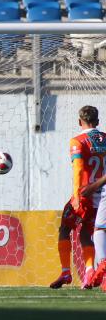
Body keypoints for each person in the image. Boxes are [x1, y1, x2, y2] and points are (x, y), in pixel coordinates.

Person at [55, 106, 106, 289]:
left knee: (64, 229)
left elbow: (78, 169)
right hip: (102, 197)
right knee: (86, 233)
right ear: (97, 121)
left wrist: (76, 196)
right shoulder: (105, 138)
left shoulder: (77, 141)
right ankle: (90, 270)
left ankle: (66, 271)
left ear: (79, 122)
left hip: (85, 195)